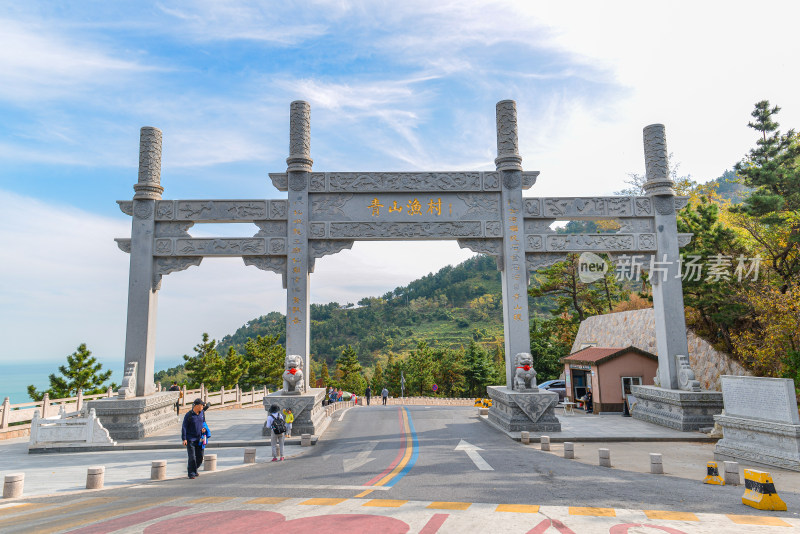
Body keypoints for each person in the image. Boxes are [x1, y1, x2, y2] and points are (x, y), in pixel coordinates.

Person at [182, 398, 207, 479]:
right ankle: (191, 473)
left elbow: (204, 423)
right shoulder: (189, 415)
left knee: (200, 457)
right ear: (196, 406)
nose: (202, 406)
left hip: (199, 439)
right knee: (192, 457)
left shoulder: (202, 413)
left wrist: (204, 429)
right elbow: (184, 427)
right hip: (190, 439)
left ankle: (195, 469)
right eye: (201, 405)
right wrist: (184, 439)